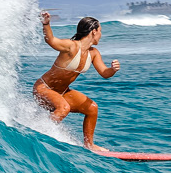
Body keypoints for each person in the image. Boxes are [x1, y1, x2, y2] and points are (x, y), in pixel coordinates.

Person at [34, 11, 120, 149]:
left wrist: (113, 69)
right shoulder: (71, 46)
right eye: (100, 31)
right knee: (63, 108)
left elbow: (104, 73)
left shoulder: (93, 53)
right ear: (94, 31)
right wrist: (46, 24)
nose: (101, 35)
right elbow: (51, 40)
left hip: (63, 92)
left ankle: (90, 145)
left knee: (92, 108)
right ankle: (39, 134)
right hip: (43, 88)